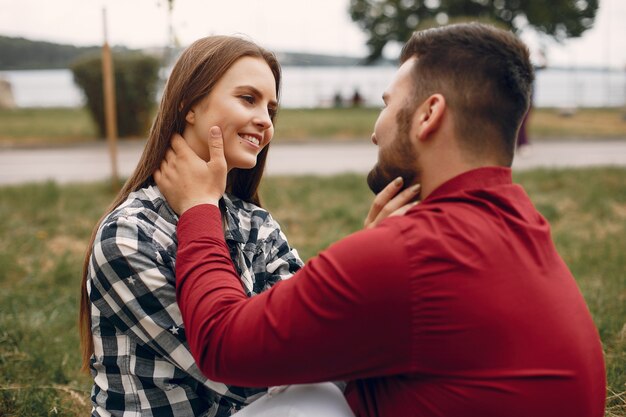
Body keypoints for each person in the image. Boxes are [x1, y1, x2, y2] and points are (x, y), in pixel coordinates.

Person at [154, 23, 606, 417]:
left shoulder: (409, 253)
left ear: (428, 115)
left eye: (388, 104)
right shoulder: (522, 228)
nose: (375, 130)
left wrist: (198, 208)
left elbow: (222, 345)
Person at [78, 36, 305, 416]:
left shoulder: (255, 224)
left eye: (271, 109)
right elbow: (240, 373)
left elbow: (313, 333)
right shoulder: (129, 236)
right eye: (248, 99)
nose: (265, 121)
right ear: (190, 106)